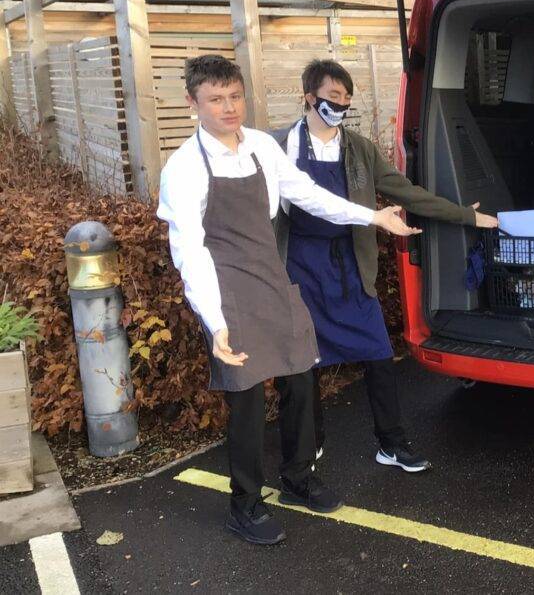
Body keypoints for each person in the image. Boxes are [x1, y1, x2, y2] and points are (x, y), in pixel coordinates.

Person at [157, 55, 420, 546]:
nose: (229, 107)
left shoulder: (260, 146)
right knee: (249, 400)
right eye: (215, 100)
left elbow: (305, 193)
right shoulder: (184, 169)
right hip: (228, 292)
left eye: (235, 96)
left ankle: (298, 478)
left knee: (301, 380)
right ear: (193, 104)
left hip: (275, 280)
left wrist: (372, 217)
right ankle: (246, 505)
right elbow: (189, 252)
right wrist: (215, 322)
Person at [273, 59, 498, 473]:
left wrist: (463, 215)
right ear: (309, 97)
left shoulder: (360, 149)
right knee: (301, 365)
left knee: (378, 353)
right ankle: (310, 442)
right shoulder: (276, 146)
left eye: (346, 98)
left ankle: (392, 443)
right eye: (332, 96)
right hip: (299, 267)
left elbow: (407, 192)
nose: (340, 105)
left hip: (349, 267)